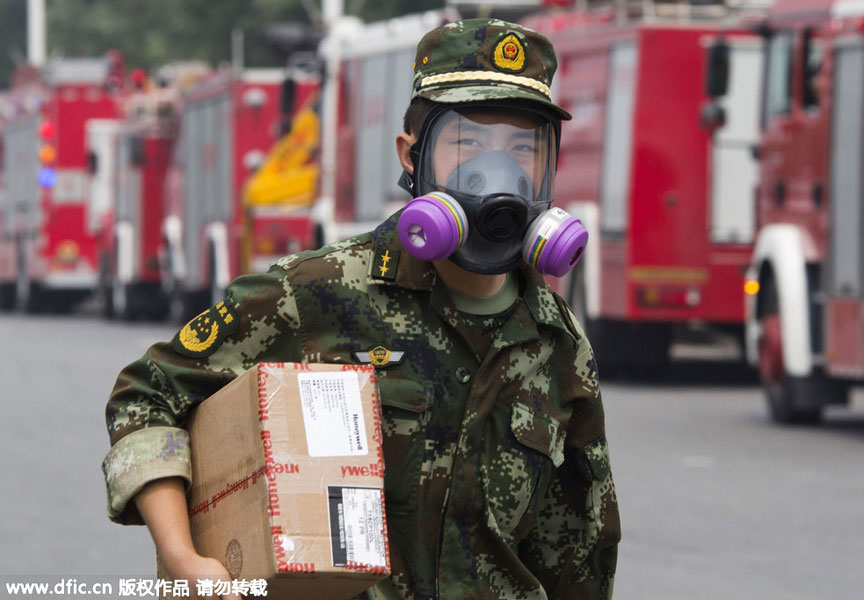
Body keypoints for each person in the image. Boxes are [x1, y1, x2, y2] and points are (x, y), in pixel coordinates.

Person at [102, 18, 620, 600]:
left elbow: (582, 551)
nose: (498, 173)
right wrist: (181, 559)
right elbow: (146, 396)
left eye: (523, 148)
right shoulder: (318, 291)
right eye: (469, 144)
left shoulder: (556, 341)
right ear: (412, 156)